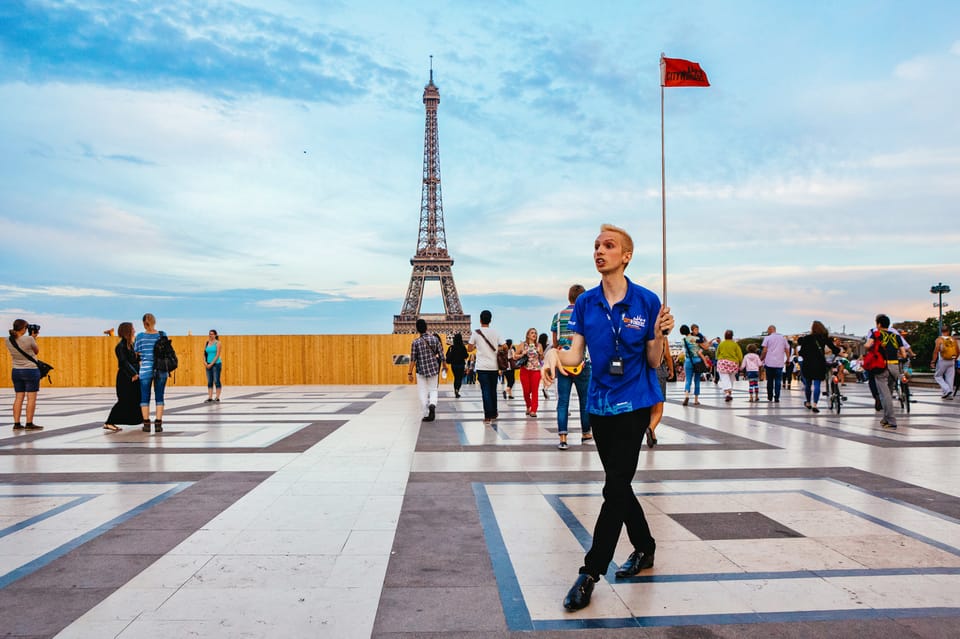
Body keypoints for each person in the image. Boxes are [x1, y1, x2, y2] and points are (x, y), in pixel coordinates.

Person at [541, 223, 674, 612]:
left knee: (614, 487)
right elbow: (574, 356)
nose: (600, 251)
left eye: (609, 246)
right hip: (598, 406)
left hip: (634, 404)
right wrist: (552, 355)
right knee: (619, 484)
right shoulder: (585, 304)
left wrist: (661, 333)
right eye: (596, 245)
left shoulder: (647, 301)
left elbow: (652, 360)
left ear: (626, 256)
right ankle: (645, 547)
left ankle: (590, 572)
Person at [551, 284, 593, 450]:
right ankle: (585, 432)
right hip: (583, 363)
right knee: (585, 401)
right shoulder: (587, 315)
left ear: (569, 297)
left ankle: (562, 436)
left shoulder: (558, 316)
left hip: (563, 364)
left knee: (563, 402)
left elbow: (555, 343)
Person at [864, 313, 906, 429]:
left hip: (881, 366)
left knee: (885, 395)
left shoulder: (876, 334)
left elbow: (867, 345)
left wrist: (873, 348)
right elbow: (903, 353)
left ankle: (892, 420)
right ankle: (886, 418)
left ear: (879, 324)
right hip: (894, 367)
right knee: (888, 393)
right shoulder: (896, 336)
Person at [103, 322, 141, 432]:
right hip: (126, 377)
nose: (134, 330)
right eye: (132, 329)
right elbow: (124, 362)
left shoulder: (131, 345)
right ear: (127, 331)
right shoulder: (120, 346)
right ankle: (109, 422)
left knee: (134, 399)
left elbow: (134, 360)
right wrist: (133, 373)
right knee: (124, 400)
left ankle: (134, 420)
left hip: (134, 376)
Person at [6, 319, 43, 431]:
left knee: (18, 397)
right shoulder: (29, 338)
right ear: (23, 328)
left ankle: (16, 423)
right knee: (31, 398)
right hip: (30, 370)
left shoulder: (7, 339)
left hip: (16, 371)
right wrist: (33, 338)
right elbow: (36, 351)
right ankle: (29, 423)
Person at [468, 310, 504, 424]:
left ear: (480, 320)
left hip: (482, 367)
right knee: (493, 390)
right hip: (494, 366)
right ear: (490, 320)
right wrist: (497, 350)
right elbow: (504, 346)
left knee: (485, 391)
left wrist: (477, 347)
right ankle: (494, 412)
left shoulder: (476, 333)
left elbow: (469, 348)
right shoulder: (496, 332)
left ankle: (487, 416)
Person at [134, 313, 168, 433]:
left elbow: (136, 353)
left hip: (145, 369)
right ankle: (158, 423)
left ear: (143, 323)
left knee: (144, 397)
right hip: (161, 369)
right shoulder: (162, 335)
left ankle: (146, 423)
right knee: (159, 397)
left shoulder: (140, 336)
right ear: (154, 321)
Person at [797, 321, 840, 414]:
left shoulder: (807, 338)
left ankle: (808, 402)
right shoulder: (824, 338)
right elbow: (835, 349)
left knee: (808, 384)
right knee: (817, 384)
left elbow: (801, 352)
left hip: (808, 364)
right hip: (819, 364)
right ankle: (815, 404)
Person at [407, 318, 444, 422]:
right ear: (426, 327)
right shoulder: (435, 339)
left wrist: (409, 372)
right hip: (433, 369)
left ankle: (426, 412)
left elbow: (413, 359)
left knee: (422, 391)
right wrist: (444, 366)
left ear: (417, 329)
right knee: (433, 389)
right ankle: (432, 404)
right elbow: (442, 356)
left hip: (421, 370)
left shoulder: (415, 342)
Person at [516, 328, 544, 417]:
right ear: (528, 335)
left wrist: (540, 353)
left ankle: (534, 409)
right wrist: (522, 354)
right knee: (526, 391)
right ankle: (528, 406)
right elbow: (515, 356)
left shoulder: (539, 345)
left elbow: (542, 358)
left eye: (535, 333)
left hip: (536, 370)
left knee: (535, 390)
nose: (534, 334)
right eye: (532, 333)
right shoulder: (522, 345)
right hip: (525, 370)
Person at [760, 325, 790, 402]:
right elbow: (787, 349)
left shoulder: (767, 338)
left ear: (771, 329)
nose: (767, 332)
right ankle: (777, 397)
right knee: (778, 381)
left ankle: (770, 396)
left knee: (769, 380)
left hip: (769, 362)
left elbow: (764, 350)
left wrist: (761, 359)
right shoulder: (783, 338)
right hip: (779, 363)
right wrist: (788, 359)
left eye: (768, 330)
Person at [679, 324, 707, 405]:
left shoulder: (683, 340)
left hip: (688, 360)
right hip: (697, 360)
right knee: (697, 380)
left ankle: (687, 395)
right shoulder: (696, 338)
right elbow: (705, 347)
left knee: (688, 380)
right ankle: (696, 400)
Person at [715, 330, 743, 402]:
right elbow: (740, 355)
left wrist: (719, 359)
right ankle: (729, 393)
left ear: (724, 336)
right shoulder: (735, 344)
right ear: (732, 336)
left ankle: (727, 393)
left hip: (723, 363)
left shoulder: (721, 344)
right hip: (733, 363)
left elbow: (717, 354)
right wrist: (740, 363)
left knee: (724, 379)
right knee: (731, 379)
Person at [931, 325, 957, 400]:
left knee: (938, 376)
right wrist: (954, 359)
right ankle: (950, 395)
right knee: (950, 377)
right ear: (949, 331)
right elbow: (958, 351)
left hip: (943, 360)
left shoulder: (939, 339)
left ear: (941, 331)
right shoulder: (953, 339)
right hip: (952, 360)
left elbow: (936, 351)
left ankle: (947, 390)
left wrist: (933, 361)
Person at [445, 333, 469, 398]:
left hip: (454, 365)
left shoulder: (451, 347)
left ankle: (455, 390)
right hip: (461, 365)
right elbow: (466, 355)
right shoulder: (463, 347)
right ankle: (457, 390)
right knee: (459, 378)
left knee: (456, 378)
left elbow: (447, 355)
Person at [204, 329, 223, 402]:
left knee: (216, 380)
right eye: (210, 334)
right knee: (209, 381)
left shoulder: (218, 343)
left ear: (215, 335)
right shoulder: (207, 343)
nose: (210, 335)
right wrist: (205, 362)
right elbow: (205, 354)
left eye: (212, 334)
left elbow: (217, 355)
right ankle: (210, 397)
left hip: (216, 364)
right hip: (208, 364)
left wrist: (211, 364)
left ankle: (217, 397)